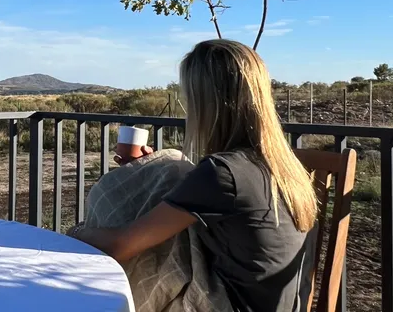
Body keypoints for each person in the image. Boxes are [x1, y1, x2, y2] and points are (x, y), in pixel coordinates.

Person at [69, 39, 318, 312]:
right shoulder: (281, 165)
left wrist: (77, 231)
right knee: (171, 168)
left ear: (205, 102)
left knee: (170, 175)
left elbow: (121, 245)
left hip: (228, 305)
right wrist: (152, 166)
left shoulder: (223, 172)